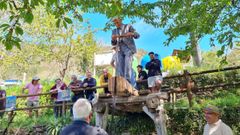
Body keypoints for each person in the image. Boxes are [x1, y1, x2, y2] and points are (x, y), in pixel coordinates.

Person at [111, 17, 140, 84]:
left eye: (117, 22)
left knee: (127, 65)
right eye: (115, 23)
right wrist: (113, 39)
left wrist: (132, 34)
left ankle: (128, 82)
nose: (116, 24)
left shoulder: (128, 26)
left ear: (121, 20)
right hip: (119, 49)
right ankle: (121, 82)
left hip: (128, 48)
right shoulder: (114, 31)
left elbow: (137, 35)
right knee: (120, 66)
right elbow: (113, 43)